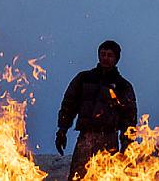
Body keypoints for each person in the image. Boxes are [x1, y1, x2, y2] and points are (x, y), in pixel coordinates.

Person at [55, 40, 137, 180]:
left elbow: (129, 118)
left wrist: (126, 145)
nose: (105, 58)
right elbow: (69, 105)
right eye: (103, 54)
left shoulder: (123, 86)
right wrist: (62, 130)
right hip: (86, 138)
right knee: (77, 177)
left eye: (110, 55)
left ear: (116, 59)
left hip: (109, 140)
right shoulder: (84, 78)